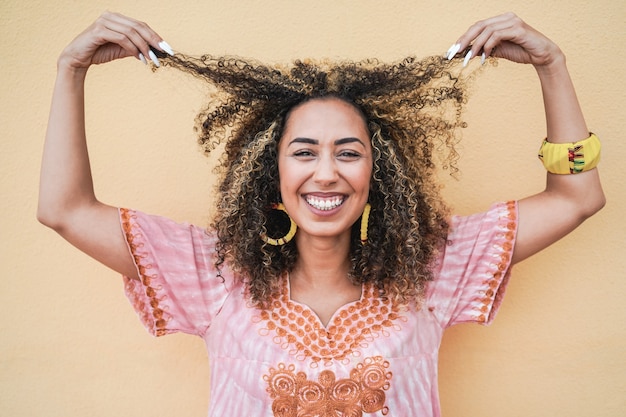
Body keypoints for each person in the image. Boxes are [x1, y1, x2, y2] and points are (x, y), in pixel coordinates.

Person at [38, 11, 605, 417]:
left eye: (349, 152)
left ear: (377, 175)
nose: (327, 172)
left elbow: (576, 198)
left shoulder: (431, 268)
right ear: (273, 176)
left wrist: (550, 65)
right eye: (304, 151)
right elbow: (63, 210)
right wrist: (71, 69)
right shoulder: (215, 274)